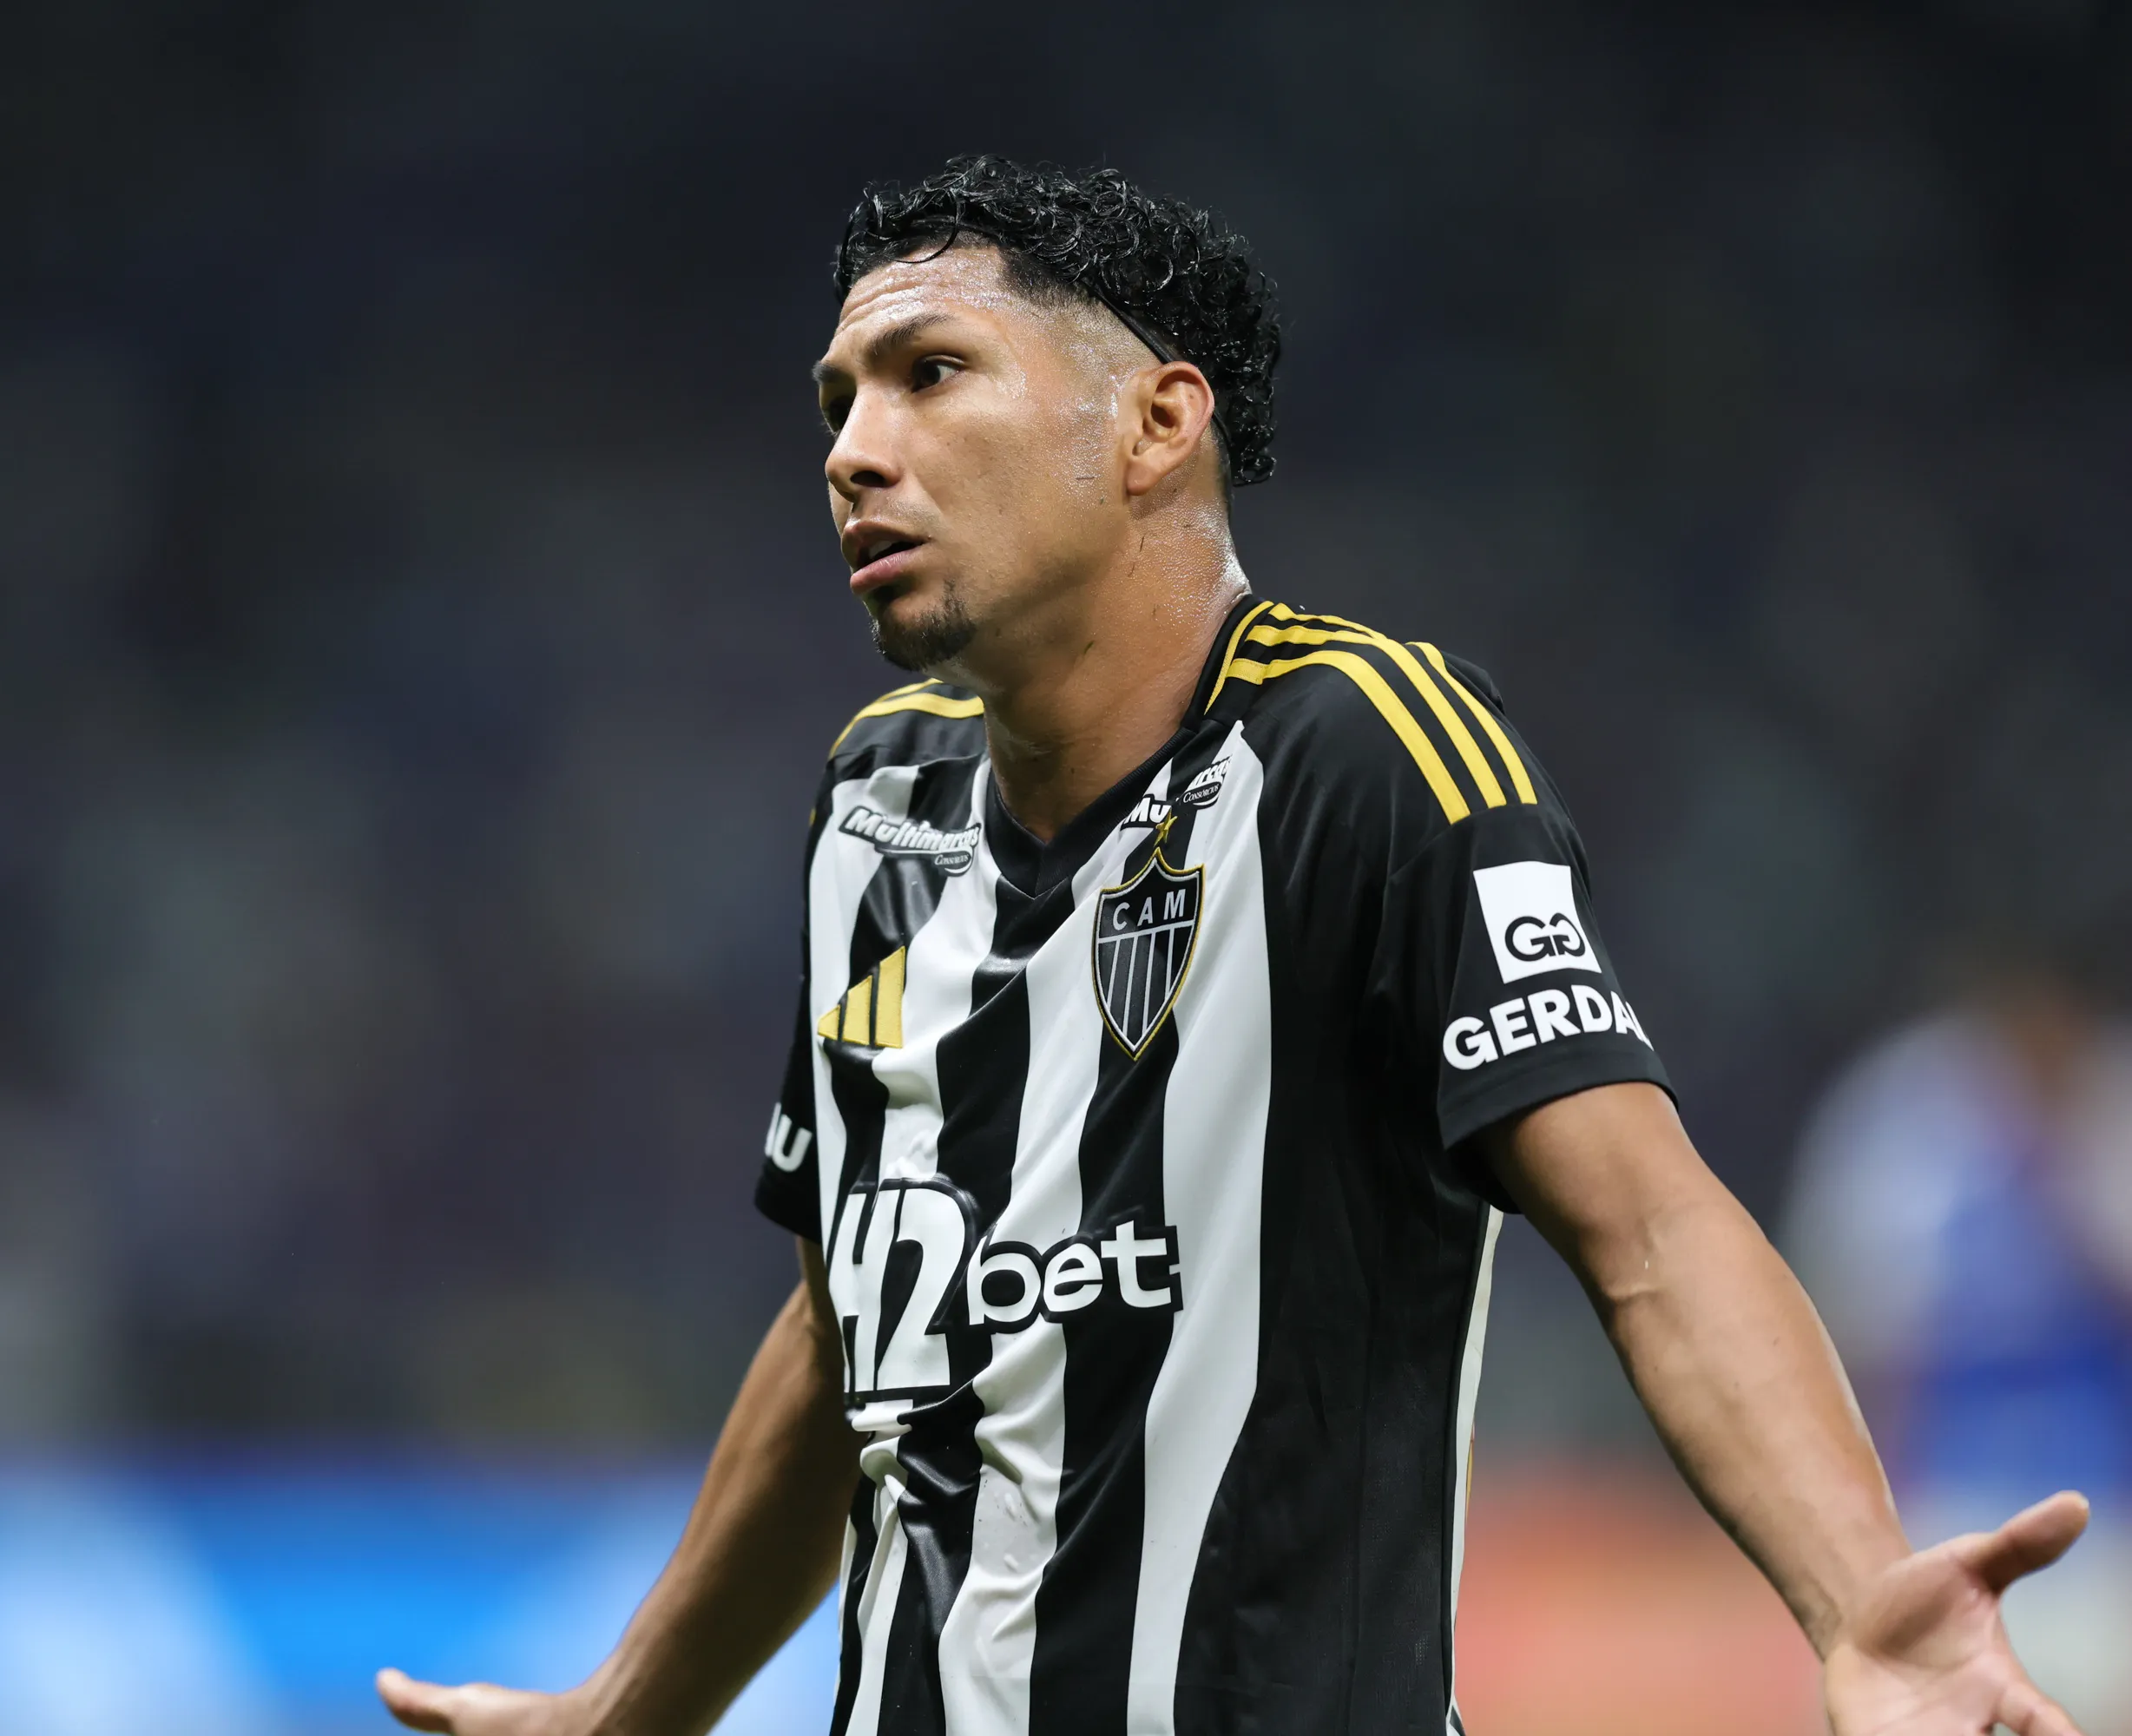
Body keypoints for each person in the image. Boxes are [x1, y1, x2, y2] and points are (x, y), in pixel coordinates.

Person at [378, 156, 2089, 1736]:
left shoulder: (1366, 751)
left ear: (1154, 423)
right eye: (836, 401)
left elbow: (1644, 1222)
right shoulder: (875, 806)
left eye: (930, 372)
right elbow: (855, 1324)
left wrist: (1858, 1600)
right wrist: (632, 1710)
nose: (851, 446)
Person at [1787, 965, 2132, 1728]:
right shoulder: (1909, 1121)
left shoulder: (2109, 1110)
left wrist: (2063, 1177)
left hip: (2101, 1494)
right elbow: (1865, 1332)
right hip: (1953, 1483)